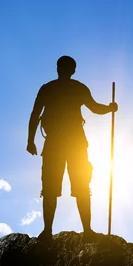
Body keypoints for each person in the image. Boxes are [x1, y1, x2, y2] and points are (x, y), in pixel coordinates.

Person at [27, 56, 118, 242]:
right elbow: (35, 114)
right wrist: (30, 140)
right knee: (60, 187)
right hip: (62, 143)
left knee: (77, 185)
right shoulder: (57, 88)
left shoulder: (59, 88)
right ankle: (53, 231)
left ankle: (81, 230)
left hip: (70, 143)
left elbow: (94, 108)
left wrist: (109, 108)